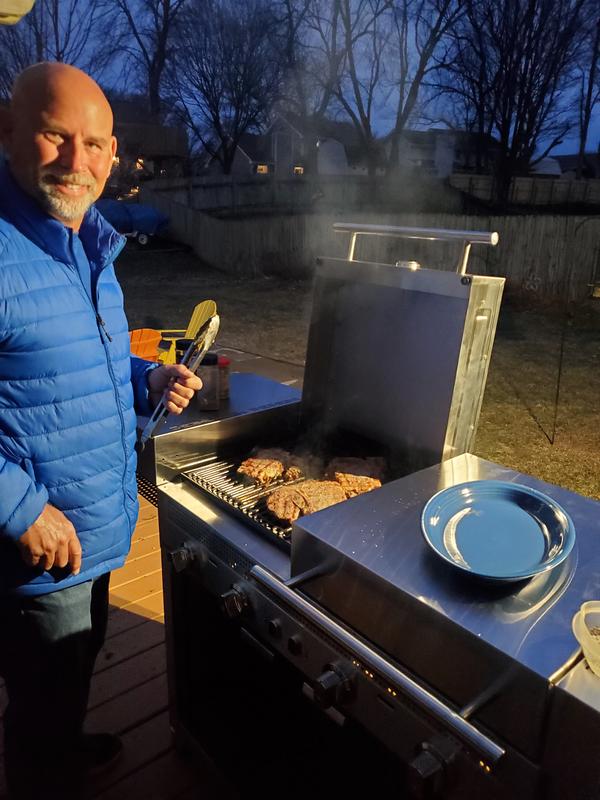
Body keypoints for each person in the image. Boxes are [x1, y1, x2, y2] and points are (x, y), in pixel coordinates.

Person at [0, 62, 201, 800]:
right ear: (10, 130)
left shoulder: (89, 241)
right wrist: (17, 508)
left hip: (95, 524)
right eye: (57, 137)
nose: (76, 162)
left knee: (75, 666)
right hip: (35, 545)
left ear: (115, 155)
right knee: (41, 699)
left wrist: (143, 380)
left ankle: (64, 740)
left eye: (95, 145)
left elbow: (86, 359)